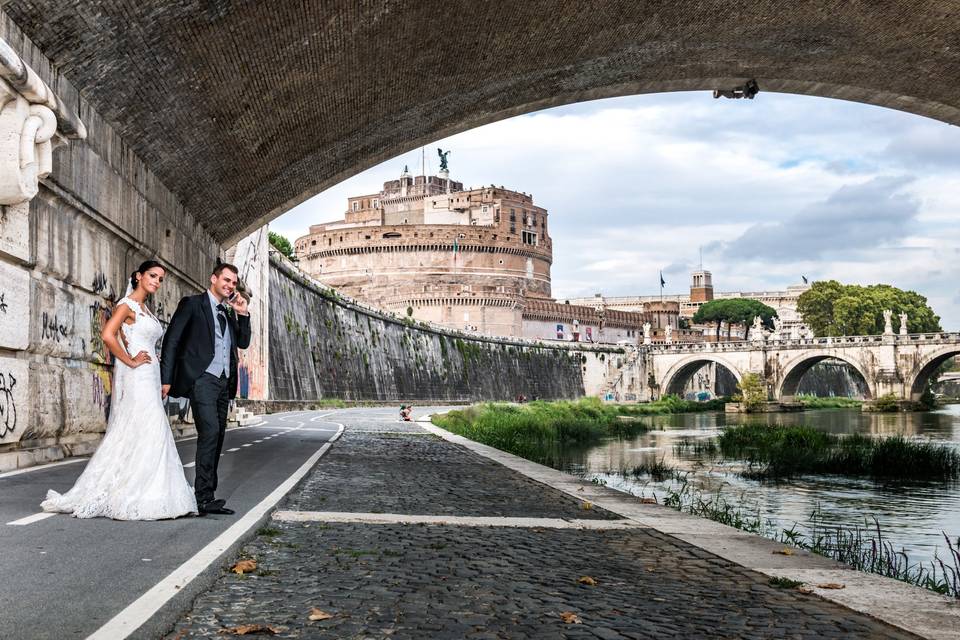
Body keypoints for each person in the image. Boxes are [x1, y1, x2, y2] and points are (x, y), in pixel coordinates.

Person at [42, 261, 198, 520]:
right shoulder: (127, 305)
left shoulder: (145, 308)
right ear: (138, 276)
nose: (157, 282)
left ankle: (155, 489)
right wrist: (131, 360)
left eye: (160, 278)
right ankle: (141, 492)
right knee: (150, 426)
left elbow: (130, 337)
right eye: (152, 276)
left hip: (149, 374)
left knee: (145, 428)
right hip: (137, 375)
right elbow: (107, 335)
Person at [160, 263, 251, 516]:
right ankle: (202, 497)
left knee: (218, 435)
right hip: (202, 380)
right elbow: (172, 340)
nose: (230, 285)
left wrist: (243, 313)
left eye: (234, 282)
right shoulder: (192, 304)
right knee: (210, 431)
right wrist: (165, 379)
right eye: (226, 280)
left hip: (224, 382)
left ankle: (207, 495)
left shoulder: (230, 311)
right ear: (213, 279)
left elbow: (242, 342)